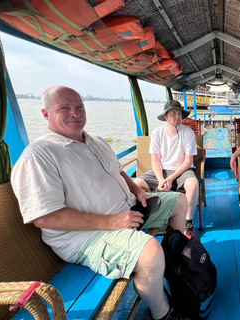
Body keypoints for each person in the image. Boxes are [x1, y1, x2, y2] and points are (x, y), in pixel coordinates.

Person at [11, 86, 189, 320]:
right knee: (151, 252)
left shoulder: (94, 140)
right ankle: (162, 313)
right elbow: (45, 217)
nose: (75, 113)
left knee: (179, 201)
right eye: (64, 108)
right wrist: (112, 221)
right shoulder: (39, 155)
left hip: (126, 211)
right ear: (45, 114)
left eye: (79, 107)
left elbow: (119, 171)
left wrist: (137, 190)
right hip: (87, 235)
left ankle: (174, 268)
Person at [134, 100, 199, 238]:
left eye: (179, 113)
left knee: (193, 184)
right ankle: (140, 219)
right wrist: (161, 180)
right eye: (173, 113)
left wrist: (170, 179)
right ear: (166, 116)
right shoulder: (158, 133)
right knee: (135, 185)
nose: (177, 117)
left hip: (182, 169)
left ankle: (188, 222)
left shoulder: (188, 133)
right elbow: (156, 160)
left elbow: (188, 162)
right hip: (160, 170)